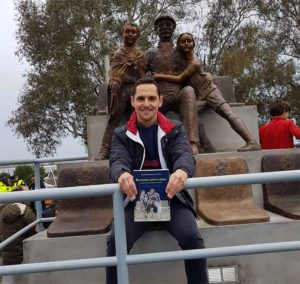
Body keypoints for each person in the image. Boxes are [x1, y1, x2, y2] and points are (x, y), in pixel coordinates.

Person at [106, 75, 208, 284]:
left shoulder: (176, 129)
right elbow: (117, 161)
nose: (146, 104)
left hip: (172, 199)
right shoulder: (121, 135)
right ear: (133, 101)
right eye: (141, 99)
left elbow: (185, 155)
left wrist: (181, 171)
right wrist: (122, 174)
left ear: (160, 101)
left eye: (151, 99)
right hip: (136, 202)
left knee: (193, 239)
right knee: (116, 242)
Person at [153, 32, 260, 152]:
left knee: (229, 115)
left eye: (189, 41)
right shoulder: (182, 62)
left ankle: (251, 141)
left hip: (210, 92)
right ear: (177, 45)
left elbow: (179, 78)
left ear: (194, 44)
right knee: (191, 115)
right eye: (183, 42)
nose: (186, 44)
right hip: (199, 97)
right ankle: (206, 147)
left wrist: (159, 76)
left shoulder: (195, 62)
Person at [144, 13, 200, 154]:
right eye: (161, 25)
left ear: (173, 28)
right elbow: (139, 75)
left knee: (188, 91)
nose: (164, 28)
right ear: (156, 29)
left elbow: (191, 73)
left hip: (177, 96)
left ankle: (191, 143)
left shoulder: (180, 53)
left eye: (168, 25)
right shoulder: (150, 53)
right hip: (159, 98)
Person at [96, 22, 145, 160]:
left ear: (138, 35)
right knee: (114, 119)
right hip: (122, 91)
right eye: (127, 32)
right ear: (122, 34)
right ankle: (104, 149)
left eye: (133, 32)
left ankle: (142, 151)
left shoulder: (141, 55)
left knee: (141, 120)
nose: (130, 35)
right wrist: (115, 84)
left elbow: (143, 75)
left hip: (137, 91)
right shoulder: (118, 54)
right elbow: (115, 74)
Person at [0, 186, 36, 284]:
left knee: (9, 279)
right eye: (28, 192)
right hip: (23, 255)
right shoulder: (28, 213)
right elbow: (34, 234)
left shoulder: (3, 209)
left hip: (6, 254)